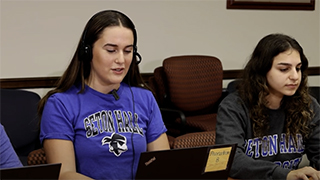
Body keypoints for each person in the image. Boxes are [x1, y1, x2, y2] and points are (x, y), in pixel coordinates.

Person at [38, 10, 170, 180]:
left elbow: (163, 165)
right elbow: (64, 174)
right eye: (111, 50)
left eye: (128, 51)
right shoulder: (61, 104)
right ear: (87, 52)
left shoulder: (145, 98)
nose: (121, 60)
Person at [215, 33, 320, 180]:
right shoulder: (234, 106)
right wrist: (285, 174)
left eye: (298, 68)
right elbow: (230, 160)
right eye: (284, 69)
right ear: (262, 71)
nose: (295, 76)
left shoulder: (308, 104)